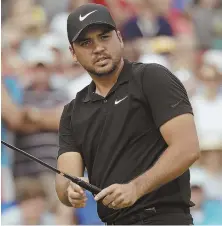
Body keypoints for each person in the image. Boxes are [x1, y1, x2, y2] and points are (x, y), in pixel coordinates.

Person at [56, 3, 200, 225]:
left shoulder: (151, 78)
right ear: (73, 53)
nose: (98, 48)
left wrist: (136, 188)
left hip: (165, 218)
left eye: (104, 37)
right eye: (86, 43)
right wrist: (70, 191)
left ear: (120, 38)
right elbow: (65, 179)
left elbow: (187, 148)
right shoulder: (72, 111)